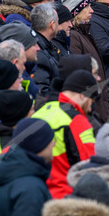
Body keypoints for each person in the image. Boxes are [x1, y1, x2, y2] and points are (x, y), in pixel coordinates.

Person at [32, 70, 97, 198]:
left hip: (39, 196)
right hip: (67, 198)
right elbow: (90, 164)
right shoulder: (75, 120)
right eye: (91, 101)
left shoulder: (38, 114)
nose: (90, 109)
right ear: (82, 95)